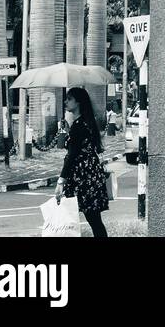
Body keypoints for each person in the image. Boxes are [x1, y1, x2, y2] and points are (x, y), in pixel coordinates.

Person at [55, 87, 109, 239]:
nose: (66, 101)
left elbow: (72, 155)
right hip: (91, 173)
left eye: (69, 99)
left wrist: (61, 180)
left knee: (92, 218)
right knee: (94, 218)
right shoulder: (86, 122)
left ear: (78, 102)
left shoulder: (79, 126)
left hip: (84, 176)